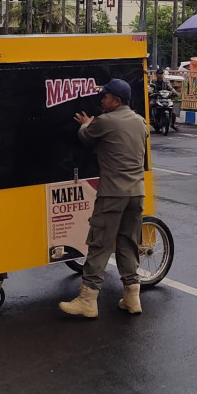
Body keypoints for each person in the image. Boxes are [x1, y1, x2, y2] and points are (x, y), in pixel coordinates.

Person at [61, 78, 149, 319]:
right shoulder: (140, 122)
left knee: (100, 244)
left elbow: (86, 136)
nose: (102, 99)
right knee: (128, 243)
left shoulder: (106, 122)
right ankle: (132, 298)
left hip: (112, 194)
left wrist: (86, 124)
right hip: (136, 194)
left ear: (116, 101)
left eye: (106, 96)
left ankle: (87, 300)